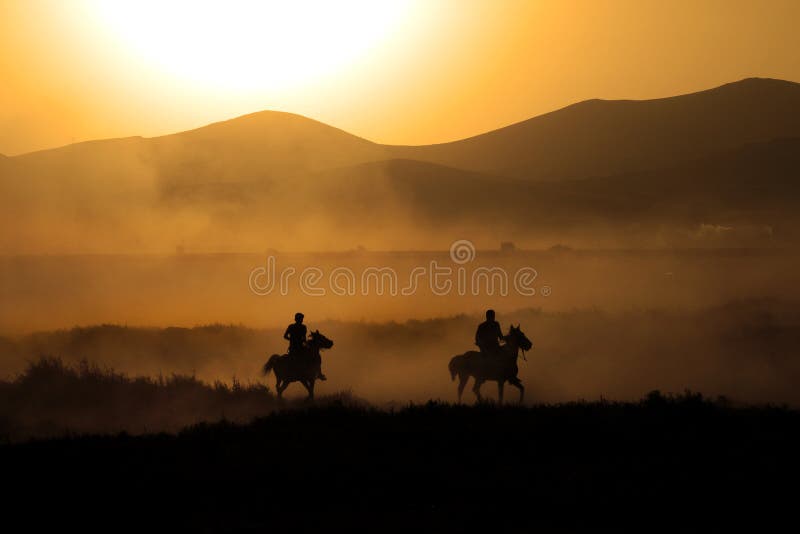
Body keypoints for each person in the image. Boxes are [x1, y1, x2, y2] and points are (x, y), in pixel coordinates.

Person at [283, 312, 327, 381]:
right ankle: (319, 374)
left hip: (298, 348)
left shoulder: (297, 327)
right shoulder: (300, 327)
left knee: (315, 355)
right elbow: (286, 336)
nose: (302, 320)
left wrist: (294, 340)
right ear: (297, 319)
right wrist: (294, 340)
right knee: (316, 357)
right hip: (295, 348)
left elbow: (286, 336)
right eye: (301, 319)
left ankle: (318, 373)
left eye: (302, 319)